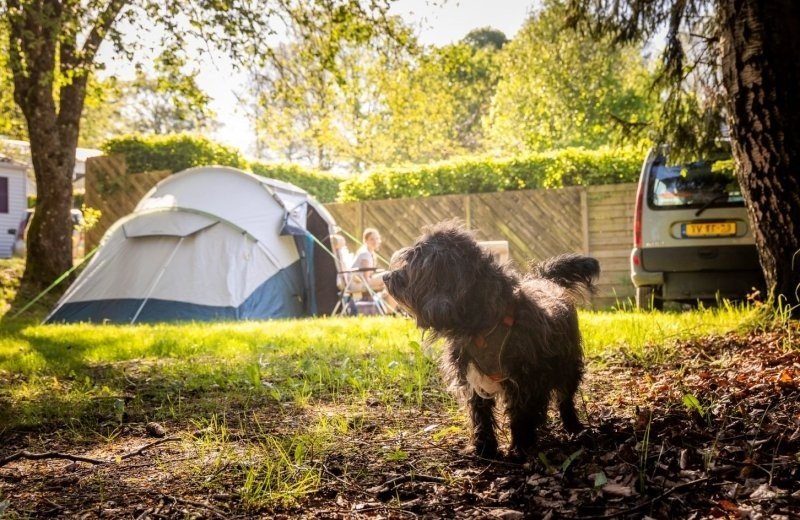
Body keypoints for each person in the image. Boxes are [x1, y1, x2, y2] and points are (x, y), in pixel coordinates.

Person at [351, 228, 396, 314]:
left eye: (377, 238)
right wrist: (381, 286)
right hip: (358, 283)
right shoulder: (365, 254)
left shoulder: (370, 253)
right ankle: (390, 312)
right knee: (390, 278)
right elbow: (366, 278)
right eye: (372, 239)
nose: (375, 241)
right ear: (365, 240)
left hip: (361, 282)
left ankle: (389, 311)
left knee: (390, 282)